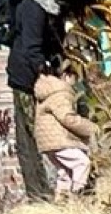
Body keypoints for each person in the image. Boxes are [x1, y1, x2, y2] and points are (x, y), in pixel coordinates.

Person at [3, 0, 94, 212]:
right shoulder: (34, 7)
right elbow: (33, 49)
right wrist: (50, 76)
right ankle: (40, 196)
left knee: (52, 139)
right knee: (37, 140)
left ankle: (58, 193)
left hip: (39, 79)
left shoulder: (50, 8)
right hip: (29, 81)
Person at [30, 66, 93, 197]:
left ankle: (61, 204)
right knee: (82, 163)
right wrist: (91, 128)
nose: (75, 83)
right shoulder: (60, 92)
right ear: (66, 75)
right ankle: (77, 197)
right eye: (75, 78)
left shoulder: (48, 90)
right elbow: (67, 118)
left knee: (65, 173)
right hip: (60, 140)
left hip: (47, 142)